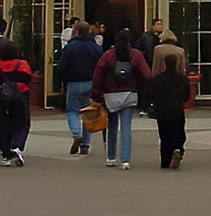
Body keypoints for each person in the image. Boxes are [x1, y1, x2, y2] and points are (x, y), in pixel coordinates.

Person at [91, 29, 151, 169]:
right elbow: (146, 75)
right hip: (130, 94)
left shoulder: (108, 56)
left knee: (112, 126)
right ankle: (125, 160)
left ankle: (111, 157)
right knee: (126, 127)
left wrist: (96, 93)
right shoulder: (136, 55)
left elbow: (98, 75)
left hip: (111, 94)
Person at [58, 20, 102, 155]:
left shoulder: (70, 47)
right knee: (87, 112)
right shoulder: (96, 47)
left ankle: (76, 134)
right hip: (90, 82)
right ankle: (85, 144)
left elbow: (62, 65)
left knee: (72, 111)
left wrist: (62, 78)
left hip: (74, 82)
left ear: (76, 32)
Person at [147, 48, 191, 169]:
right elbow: (187, 96)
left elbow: (150, 94)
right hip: (177, 109)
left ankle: (165, 160)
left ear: (164, 64)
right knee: (178, 132)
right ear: (176, 63)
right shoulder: (182, 79)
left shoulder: (157, 80)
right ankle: (178, 149)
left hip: (162, 111)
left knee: (164, 135)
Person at [0, 44, 32, 166]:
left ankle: (5, 154)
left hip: (1, 99)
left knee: (3, 125)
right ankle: (17, 146)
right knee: (21, 123)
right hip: (19, 97)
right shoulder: (22, 65)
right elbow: (28, 80)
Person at [134, 18, 163, 117]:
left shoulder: (162, 38)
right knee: (145, 87)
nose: (160, 26)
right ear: (153, 26)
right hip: (147, 65)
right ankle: (144, 106)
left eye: (161, 24)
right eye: (158, 24)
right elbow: (137, 49)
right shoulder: (145, 37)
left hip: (157, 65)